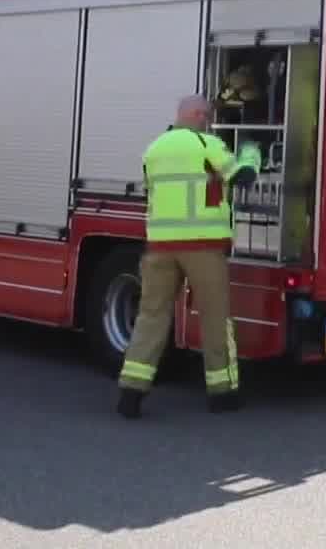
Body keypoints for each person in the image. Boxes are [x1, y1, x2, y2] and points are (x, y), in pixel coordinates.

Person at [115, 96, 262, 419]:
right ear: (197, 115)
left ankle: (131, 392)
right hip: (203, 247)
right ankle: (222, 394)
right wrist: (252, 153)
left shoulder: (153, 149)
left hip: (160, 248)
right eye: (207, 116)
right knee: (214, 317)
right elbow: (242, 177)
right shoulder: (205, 144)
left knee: (151, 316)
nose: (209, 122)